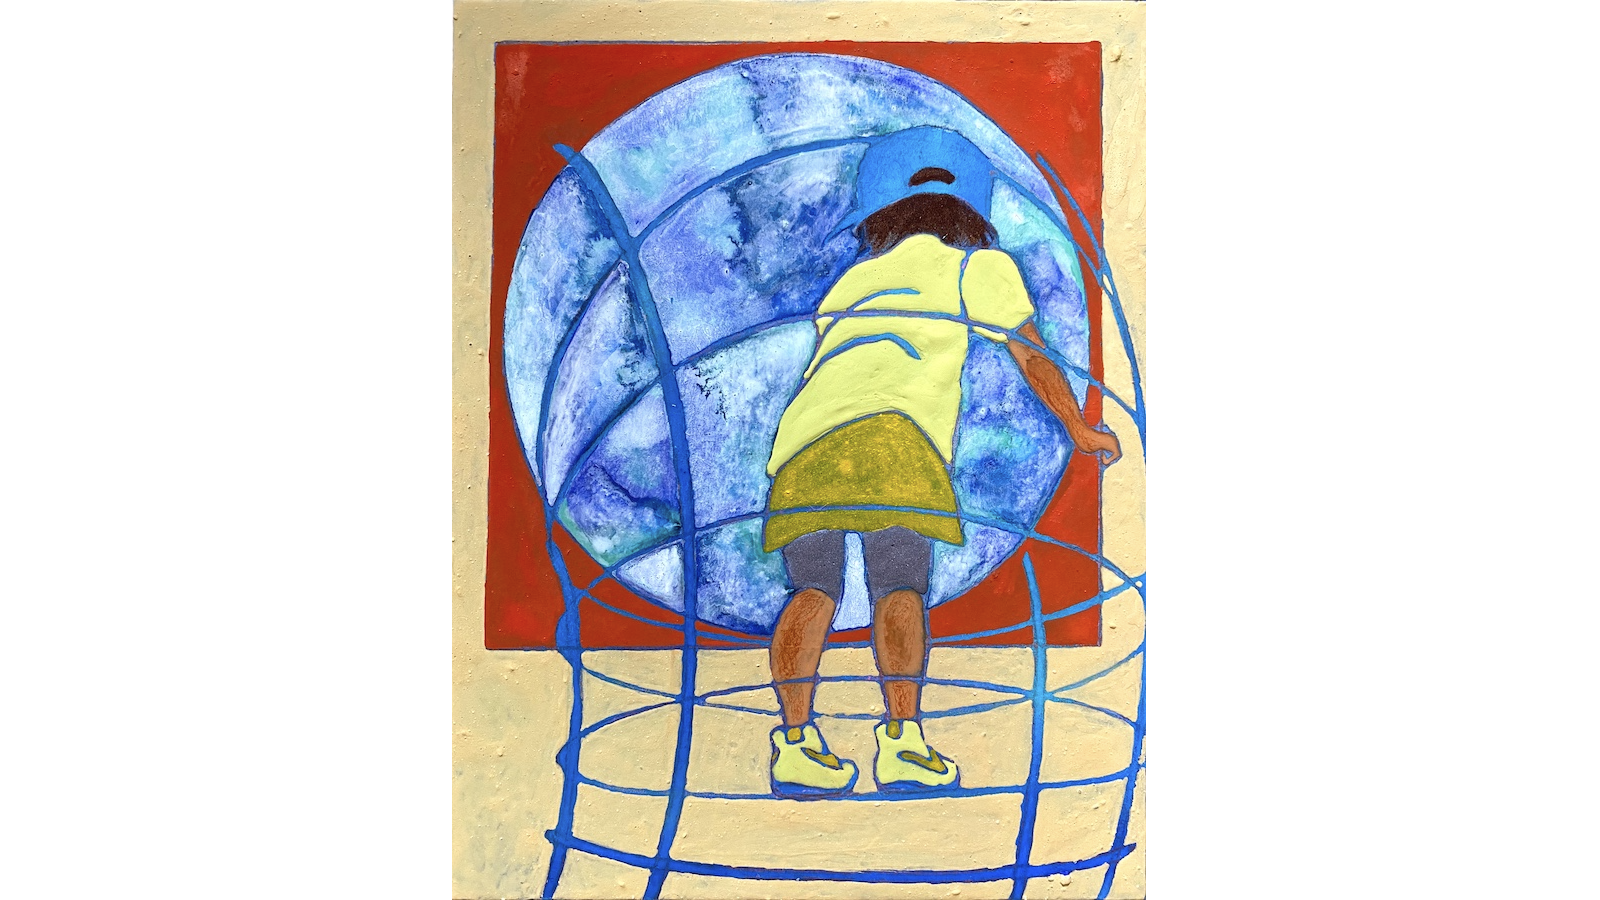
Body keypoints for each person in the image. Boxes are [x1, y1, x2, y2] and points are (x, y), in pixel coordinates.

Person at [763, 126, 1121, 798]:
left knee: (812, 589)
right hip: (895, 438)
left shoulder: (853, 281)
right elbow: (1030, 353)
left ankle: (795, 745)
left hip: (804, 447)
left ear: (878, 213)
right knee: (899, 587)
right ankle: (902, 743)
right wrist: (1078, 428)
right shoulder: (977, 268)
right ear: (971, 214)